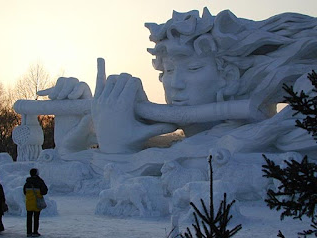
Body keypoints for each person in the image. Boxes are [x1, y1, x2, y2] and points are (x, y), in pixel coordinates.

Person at [37, 8, 317, 157]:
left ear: (229, 78)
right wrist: (78, 127)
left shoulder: (262, 143)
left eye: (193, 68)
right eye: (168, 72)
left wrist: (117, 152)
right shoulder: (178, 146)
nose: (175, 85)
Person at [23, 168, 48, 238]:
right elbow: (44, 191)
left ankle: (28, 232)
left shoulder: (27, 182)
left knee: (29, 218)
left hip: (29, 202)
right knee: (36, 218)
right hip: (37, 202)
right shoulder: (40, 181)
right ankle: (35, 232)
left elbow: (24, 192)